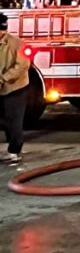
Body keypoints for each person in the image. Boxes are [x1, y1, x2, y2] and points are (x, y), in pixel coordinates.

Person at [0, 12, 31, 164]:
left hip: (15, 88)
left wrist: (3, 78)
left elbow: (22, 65)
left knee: (14, 120)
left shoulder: (17, 44)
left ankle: (14, 151)